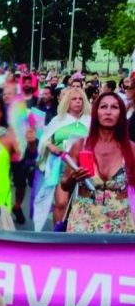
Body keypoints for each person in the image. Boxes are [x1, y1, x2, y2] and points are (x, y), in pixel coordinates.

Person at [61, 92, 135, 233]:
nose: (108, 112)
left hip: (120, 223)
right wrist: (73, 178)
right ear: (96, 112)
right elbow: (64, 185)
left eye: (114, 107)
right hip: (83, 220)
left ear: (121, 113)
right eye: (103, 107)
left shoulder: (130, 148)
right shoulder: (80, 144)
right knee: (80, 256)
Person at [34, 88, 91, 230]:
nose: (78, 102)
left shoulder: (90, 121)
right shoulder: (58, 120)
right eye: (74, 99)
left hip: (83, 168)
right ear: (67, 101)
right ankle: (58, 236)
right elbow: (44, 139)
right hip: (61, 166)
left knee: (78, 204)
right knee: (61, 203)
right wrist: (50, 146)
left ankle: (72, 232)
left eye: (80, 99)